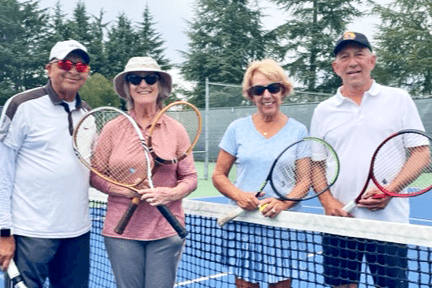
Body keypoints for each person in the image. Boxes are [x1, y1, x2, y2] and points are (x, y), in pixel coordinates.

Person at [310, 31, 425, 288]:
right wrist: (328, 202)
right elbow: (316, 165)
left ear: (371, 60)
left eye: (359, 55)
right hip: (340, 224)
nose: (353, 62)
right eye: (344, 56)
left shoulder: (399, 99)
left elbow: (421, 153)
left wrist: (389, 190)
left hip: (388, 224)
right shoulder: (323, 110)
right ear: (335, 66)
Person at [89, 56, 197, 288]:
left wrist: (168, 194)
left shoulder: (176, 130)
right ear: (127, 87)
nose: (143, 84)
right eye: (135, 79)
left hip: (166, 231)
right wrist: (123, 190)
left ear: (160, 86)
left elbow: (190, 178)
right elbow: (96, 174)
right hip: (122, 232)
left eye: (150, 78)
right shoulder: (112, 128)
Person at [0, 40, 92, 287]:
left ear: (87, 73)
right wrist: (3, 233)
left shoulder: (88, 115)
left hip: (77, 234)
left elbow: (90, 171)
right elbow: (3, 171)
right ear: (49, 68)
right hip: (31, 233)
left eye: (81, 66)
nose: (74, 70)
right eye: (65, 63)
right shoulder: (22, 105)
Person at [212, 59, 308, 288]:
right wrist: (239, 196)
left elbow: (304, 181)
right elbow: (218, 175)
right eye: (259, 90)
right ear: (251, 95)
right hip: (245, 223)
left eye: (273, 88)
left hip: (283, 225)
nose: (267, 95)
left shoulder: (299, 131)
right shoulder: (237, 129)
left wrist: (283, 204)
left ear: (283, 90)